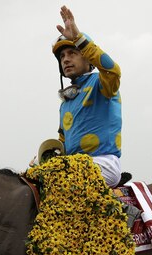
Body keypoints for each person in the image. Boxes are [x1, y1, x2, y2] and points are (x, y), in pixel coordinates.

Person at [51, 5, 122, 188]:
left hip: (103, 164)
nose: (65, 59)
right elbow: (62, 145)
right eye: (62, 56)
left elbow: (113, 70)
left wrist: (79, 39)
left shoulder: (101, 83)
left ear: (88, 59)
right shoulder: (65, 103)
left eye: (72, 53)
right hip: (75, 166)